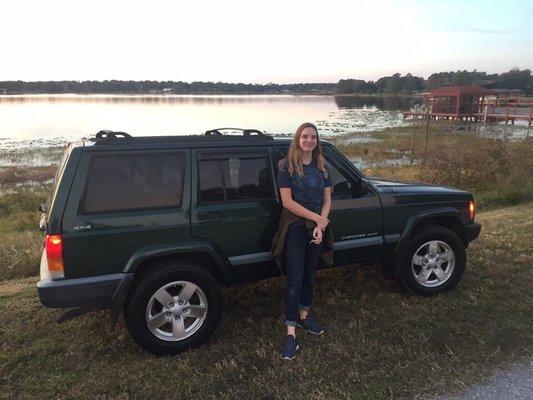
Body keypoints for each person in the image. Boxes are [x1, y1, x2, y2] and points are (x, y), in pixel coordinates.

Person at [276, 122, 332, 360]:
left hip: (316, 228)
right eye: (305, 136)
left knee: (310, 274)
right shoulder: (287, 166)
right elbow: (287, 202)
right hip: (295, 228)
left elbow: (327, 199)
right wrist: (316, 219)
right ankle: (291, 333)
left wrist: (321, 224)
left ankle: (305, 316)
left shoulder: (322, 166)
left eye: (313, 137)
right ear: (298, 139)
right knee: (295, 278)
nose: (309, 140)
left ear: (316, 141)